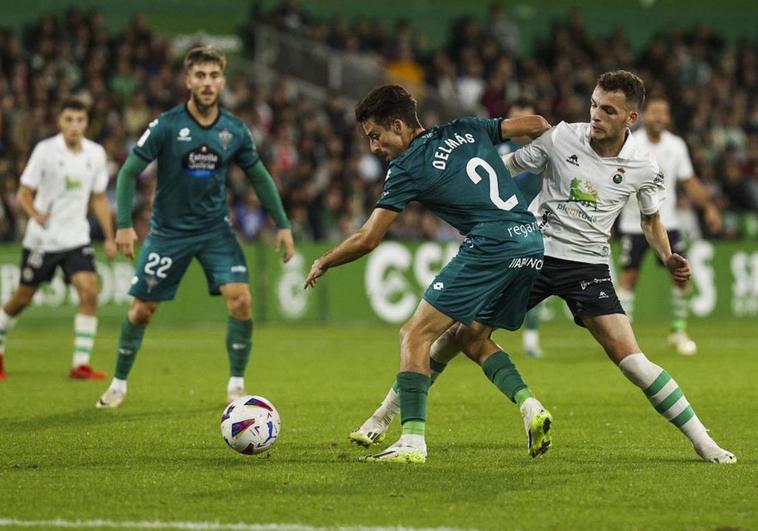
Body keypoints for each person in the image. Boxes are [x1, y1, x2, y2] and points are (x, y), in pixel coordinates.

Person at [351, 71, 735, 464]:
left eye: (607, 110)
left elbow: (651, 221)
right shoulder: (562, 137)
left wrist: (667, 255)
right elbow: (506, 166)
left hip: (588, 268)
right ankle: (384, 418)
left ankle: (705, 443)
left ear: (629, 119)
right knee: (456, 336)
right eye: (593, 105)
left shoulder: (643, 166)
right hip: (533, 254)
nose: (595, 115)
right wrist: (452, 180)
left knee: (633, 362)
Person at [305, 84, 553, 463]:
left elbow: (368, 238)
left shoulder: (407, 166)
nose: (374, 147)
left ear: (400, 125)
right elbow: (536, 123)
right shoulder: (466, 128)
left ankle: (412, 442)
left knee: (414, 334)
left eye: (376, 136)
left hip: (491, 244)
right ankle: (530, 407)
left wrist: (325, 260)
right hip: (531, 241)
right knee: (468, 338)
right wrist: (549, 172)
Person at [96, 46, 294, 408]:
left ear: (222, 81)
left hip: (215, 231)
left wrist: (282, 223)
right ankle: (118, 384)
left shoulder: (234, 130)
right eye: (200, 76)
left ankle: (236, 384)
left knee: (242, 300)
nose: (207, 83)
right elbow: (127, 173)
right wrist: (123, 224)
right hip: (167, 233)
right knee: (142, 310)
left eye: (214, 76)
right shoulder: (167, 125)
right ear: (188, 80)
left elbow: (260, 177)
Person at [0, 98, 116, 381]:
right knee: (22, 299)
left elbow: (99, 198)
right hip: (44, 239)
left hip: (76, 237)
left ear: (87, 123)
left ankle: (80, 365)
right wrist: (34, 214)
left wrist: (110, 237)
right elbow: (24, 193)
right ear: (60, 122)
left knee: (89, 291)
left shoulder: (96, 154)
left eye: (80, 120)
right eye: (69, 120)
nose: (74, 126)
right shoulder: (45, 151)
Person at [617, 95, 722, 355]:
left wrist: (708, 206)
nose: (658, 116)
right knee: (629, 277)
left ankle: (678, 330)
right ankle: (624, 337)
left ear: (668, 117)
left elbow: (688, 181)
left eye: (663, 112)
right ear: (643, 115)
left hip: (668, 222)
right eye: (654, 111)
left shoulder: (676, 145)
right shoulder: (630, 142)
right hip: (634, 223)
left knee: (680, 276)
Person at [498, 98, 545, 358]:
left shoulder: (542, 153)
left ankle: (531, 339)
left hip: (531, 227)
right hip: (496, 226)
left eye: (527, 121)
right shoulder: (493, 150)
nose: (521, 127)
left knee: (533, 279)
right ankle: (460, 332)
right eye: (516, 121)